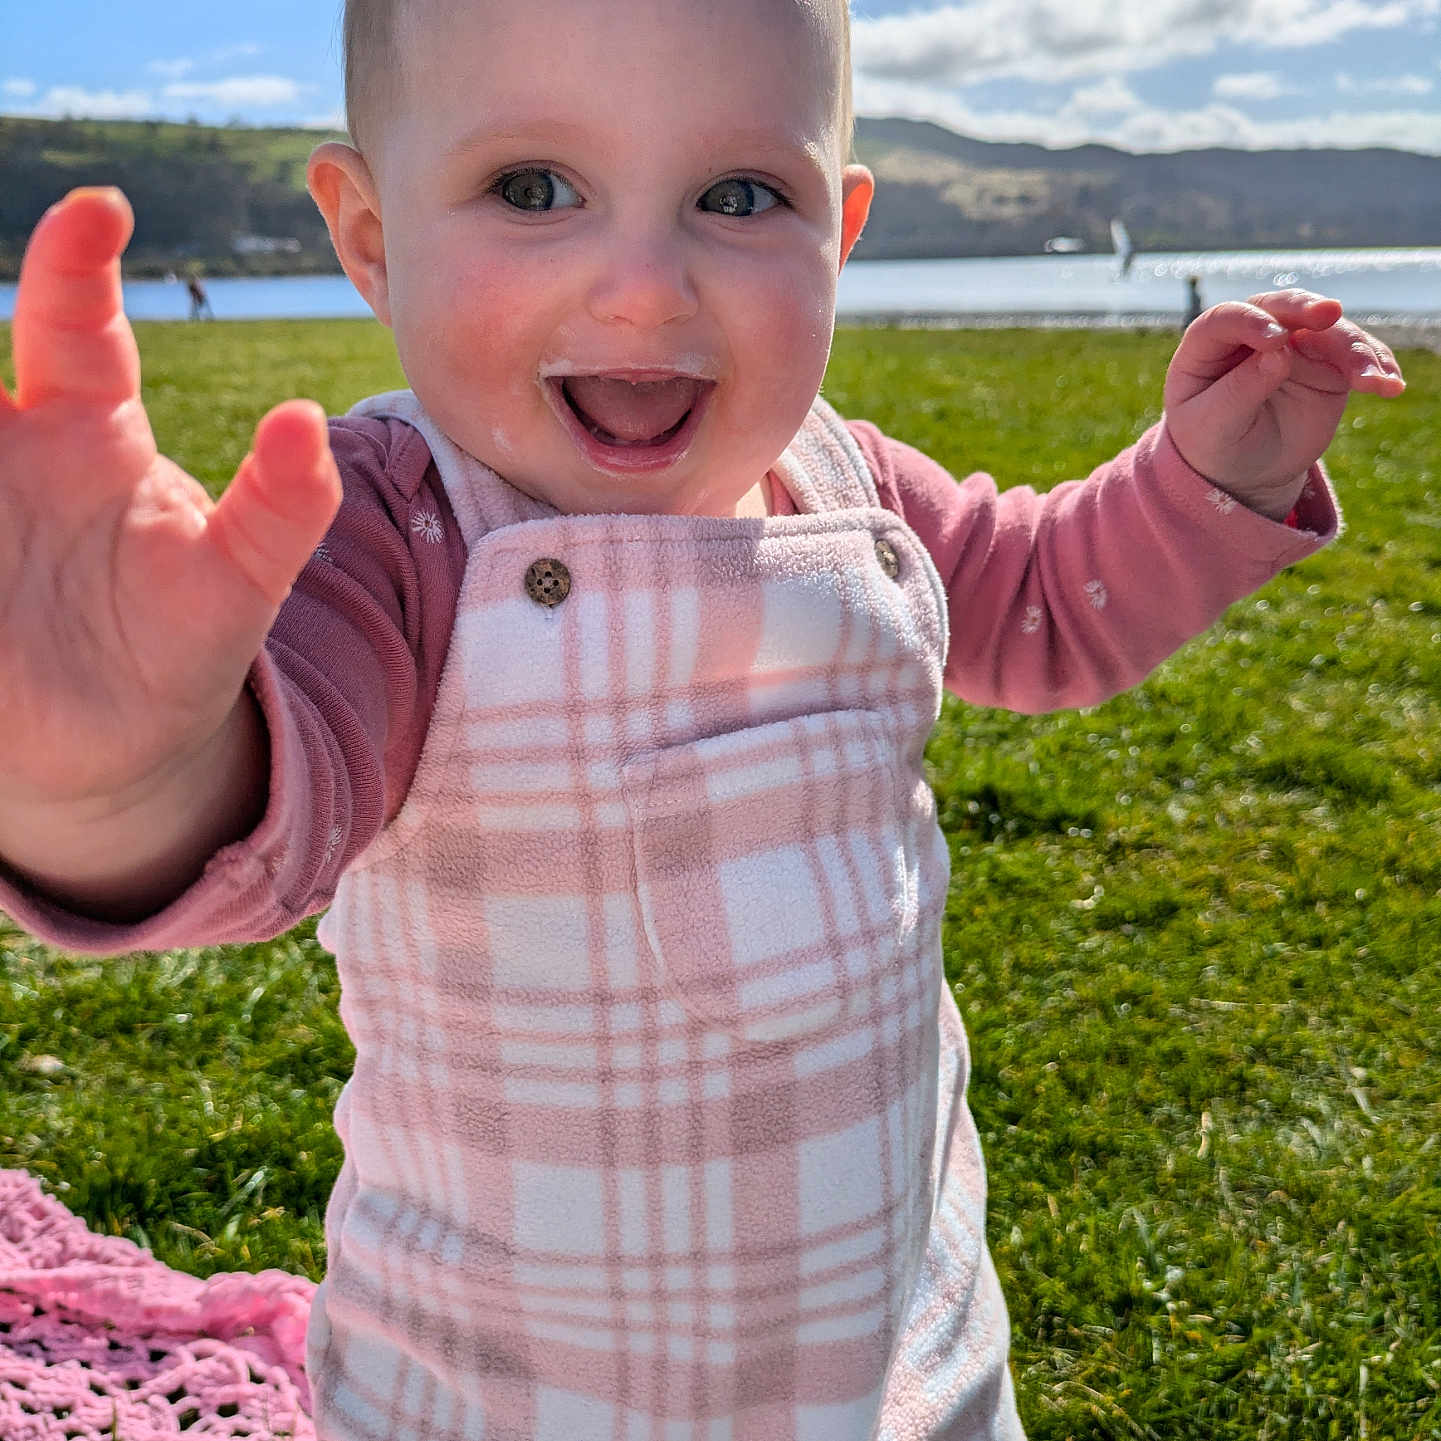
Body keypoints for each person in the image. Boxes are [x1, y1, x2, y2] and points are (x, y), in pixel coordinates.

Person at [0, 0, 1406, 1436]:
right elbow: (273, 792)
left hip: (895, 1369)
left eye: (738, 196)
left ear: (836, 233)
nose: (644, 287)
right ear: (370, 238)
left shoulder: (848, 485)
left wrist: (1200, 481)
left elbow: (1047, 602)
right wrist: (115, 773)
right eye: (533, 188)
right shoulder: (397, 531)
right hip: (505, 1397)